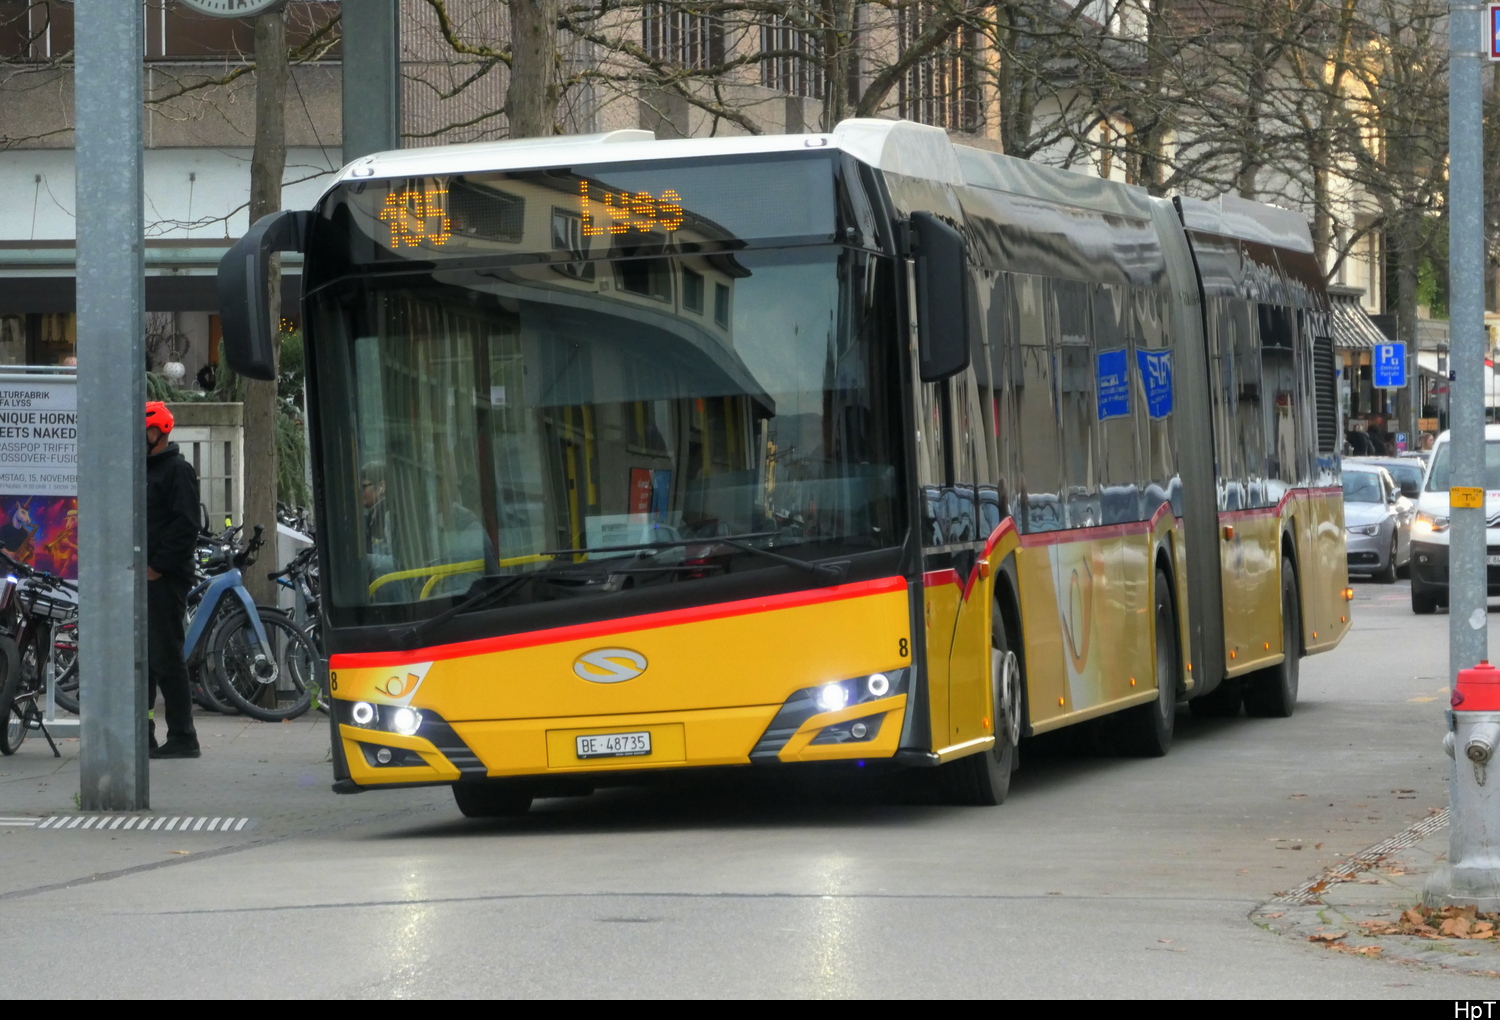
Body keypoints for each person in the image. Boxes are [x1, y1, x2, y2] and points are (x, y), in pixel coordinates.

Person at [145, 401, 202, 759]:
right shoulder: (144, 470)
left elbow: (186, 525)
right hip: (144, 577)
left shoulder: (177, 471)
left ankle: (183, 736)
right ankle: (143, 734)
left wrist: (158, 566)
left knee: (166, 658)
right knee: (143, 660)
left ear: (157, 433)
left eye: (143, 433)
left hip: (164, 579)